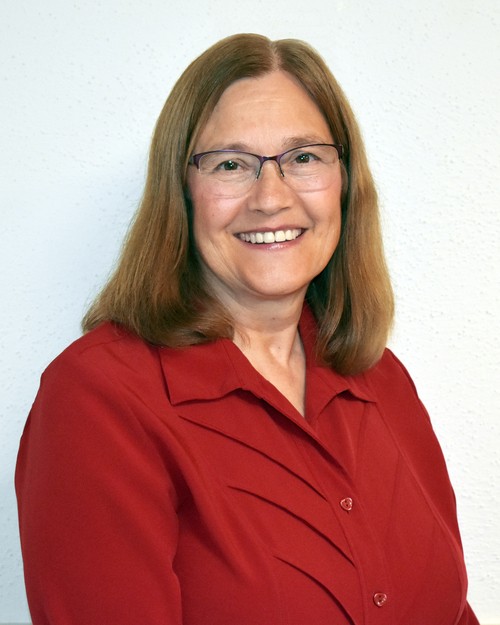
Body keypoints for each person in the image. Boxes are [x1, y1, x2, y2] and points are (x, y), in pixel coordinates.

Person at [16, 33, 479, 625]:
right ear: (182, 193)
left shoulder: (382, 378)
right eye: (231, 164)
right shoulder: (98, 399)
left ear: (345, 181)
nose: (270, 198)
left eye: (303, 157)